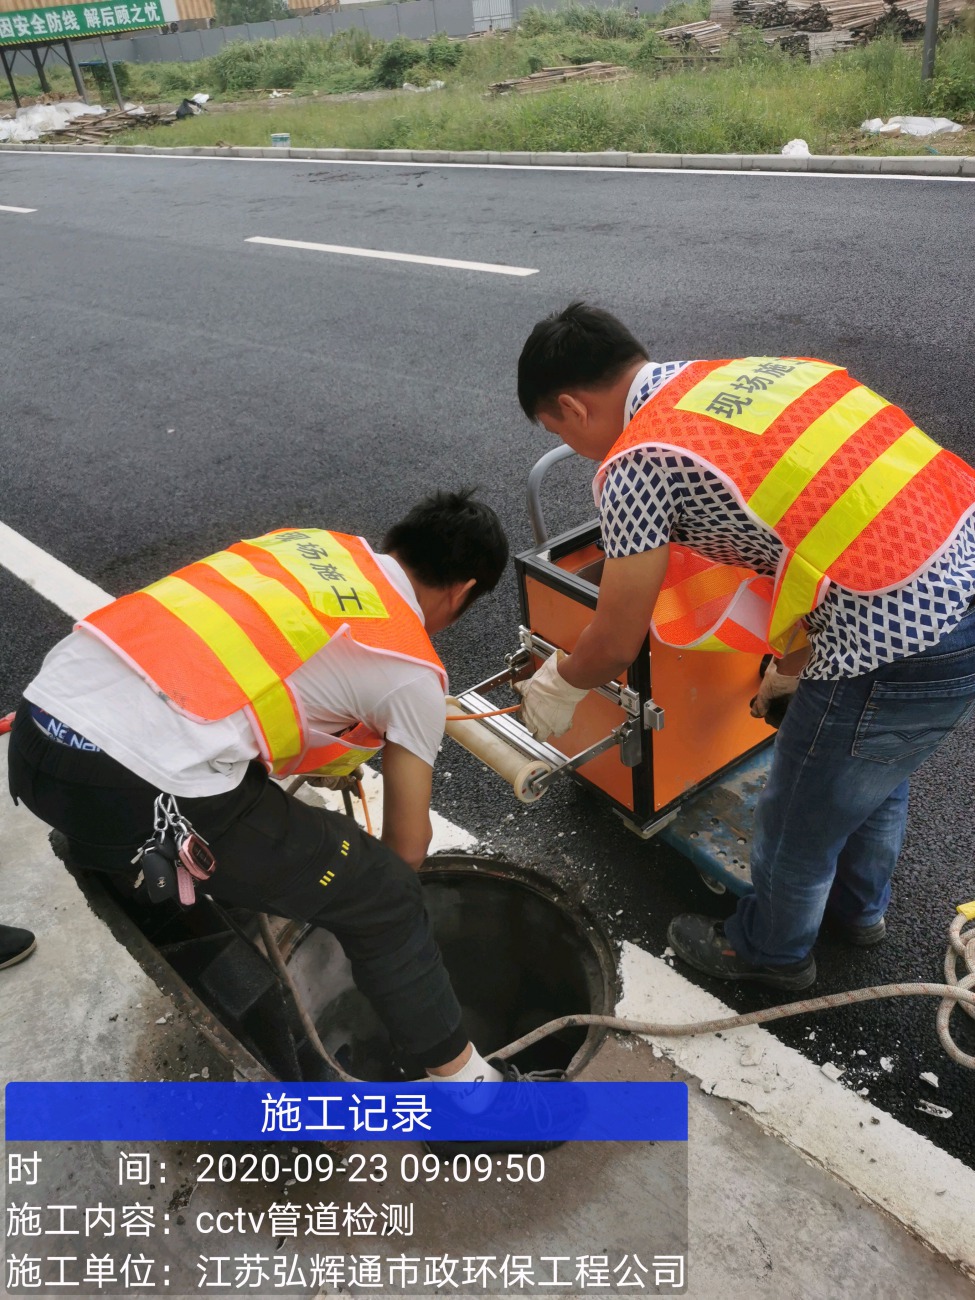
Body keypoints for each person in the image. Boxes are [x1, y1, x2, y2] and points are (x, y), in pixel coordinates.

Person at [516, 302, 975, 992]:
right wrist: (793, 665)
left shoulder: (639, 462)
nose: (580, 449)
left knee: (797, 813)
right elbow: (823, 518)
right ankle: (857, 912)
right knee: (873, 772)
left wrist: (558, 684)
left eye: (556, 431)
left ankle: (770, 953)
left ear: (571, 407)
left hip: (899, 632)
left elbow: (614, 638)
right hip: (956, 562)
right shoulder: (749, 377)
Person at [7, 491, 525, 1089]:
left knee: (253, 793)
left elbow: (242, 672)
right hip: (134, 791)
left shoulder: (306, 547)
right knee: (383, 897)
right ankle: (474, 1099)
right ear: (462, 591)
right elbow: (407, 847)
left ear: (397, 543)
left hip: (37, 734)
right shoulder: (412, 670)